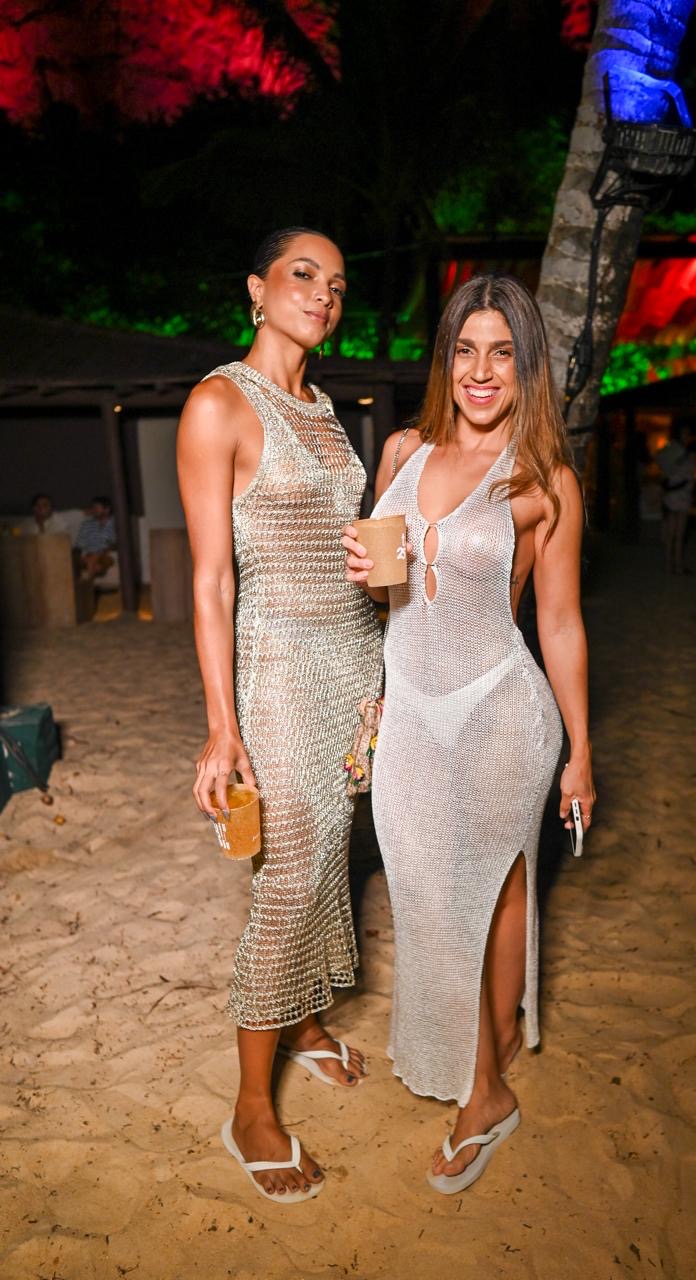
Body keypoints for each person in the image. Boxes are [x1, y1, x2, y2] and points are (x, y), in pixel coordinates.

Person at [343, 274, 595, 1194]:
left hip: (501, 710)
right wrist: (371, 573)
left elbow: (558, 622)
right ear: (445, 359)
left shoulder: (545, 480)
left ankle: (486, 1090)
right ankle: (487, 1041)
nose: (481, 371)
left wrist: (581, 752)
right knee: (427, 896)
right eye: (465, 350)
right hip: (412, 711)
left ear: (526, 367)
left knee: (493, 887)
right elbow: (389, 599)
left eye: (502, 353)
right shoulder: (404, 451)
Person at [177, 228, 383, 1204]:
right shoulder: (219, 403)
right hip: (281, 670)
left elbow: (347, 546)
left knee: (331, 848)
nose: (323, 295)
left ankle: (302, 1021)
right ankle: (251, 1108)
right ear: (257, 289)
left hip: (355, 661)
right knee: (289, 874)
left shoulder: (327, 409)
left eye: (337, 284)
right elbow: (211, 580)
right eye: (304, 275)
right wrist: (223, 726)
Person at [656, 417, 696, 574]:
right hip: (676, 498)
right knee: (674, 535)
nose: (686, 435)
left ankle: (675, 565)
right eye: (684, 432)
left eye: (688, 433)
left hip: (679, 497)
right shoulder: (676, 451)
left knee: (677, 535)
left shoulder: (678, 451)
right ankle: (672, 565)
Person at [74, 495, 116, 580]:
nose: (93, 510)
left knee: (94, 559)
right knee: (89, 560)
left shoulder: (115, 523)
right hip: (88, 554)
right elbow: (79, 544)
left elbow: (116, 543)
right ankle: (91, 576)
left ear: (107, 509)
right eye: (93, 508)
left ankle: (88, 580)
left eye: (96, 508)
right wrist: (83, 555)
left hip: (107, 553)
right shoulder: (87, 524)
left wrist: (99, 553)